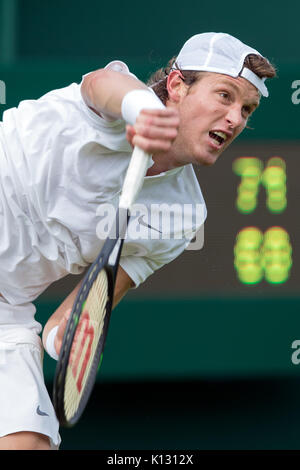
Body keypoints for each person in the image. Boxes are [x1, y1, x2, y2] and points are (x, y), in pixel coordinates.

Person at [0, 32, 276, 450]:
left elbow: (79, 315)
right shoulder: (117, 103)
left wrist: (70, 342)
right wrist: (141, 109)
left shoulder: (184, 216)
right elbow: (102, 86)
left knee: (29, 444)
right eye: (224, 96)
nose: (236, 118)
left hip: (6, 308)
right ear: (178, 86)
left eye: (246, 109)